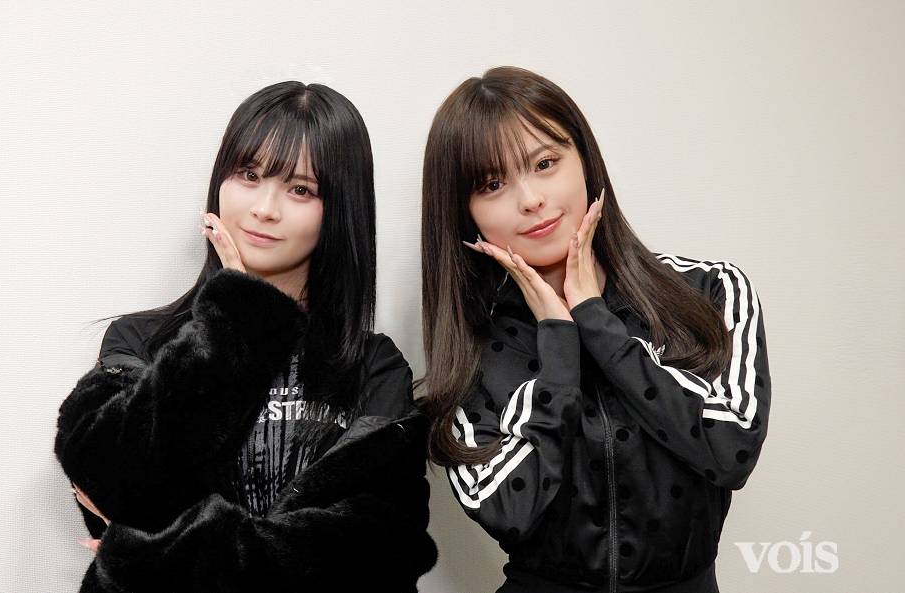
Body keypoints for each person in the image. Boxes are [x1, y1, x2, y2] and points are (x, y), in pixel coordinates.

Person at [53, 80, 437, 593]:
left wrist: (159, 557)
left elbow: (376, 551)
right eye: (250, 176)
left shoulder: (372, 366)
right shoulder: (140, 341)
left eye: (301, 189)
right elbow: (120, 481)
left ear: (339, 209)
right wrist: (238, 324)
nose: (265, 208)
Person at [418, 66, 770, 593]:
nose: (530, 199)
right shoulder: (470, 348)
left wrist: (595, 319)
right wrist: (558, 343)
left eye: (545, 163)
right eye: (492, 184)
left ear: (585, 161)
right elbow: (509, 510)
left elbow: (730, 451)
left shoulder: (711, 290)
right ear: (465, 214)